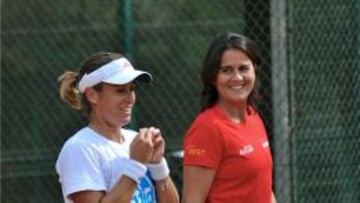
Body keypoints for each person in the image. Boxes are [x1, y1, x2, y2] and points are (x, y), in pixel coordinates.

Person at [55, 52, 179, 203]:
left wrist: (157, 165)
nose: (130, 98)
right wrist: (136, 164)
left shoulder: (135, 140)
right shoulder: (79, 149)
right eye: (120, 90)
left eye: (132, 89)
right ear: (92, 95)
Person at [182, 33, 277, 203]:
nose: (237, 78)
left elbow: (264, 188)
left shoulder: (253, 116)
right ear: (213, 78)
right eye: (226, 70)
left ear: (255, 70)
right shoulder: (206, 128)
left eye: (243, 68)